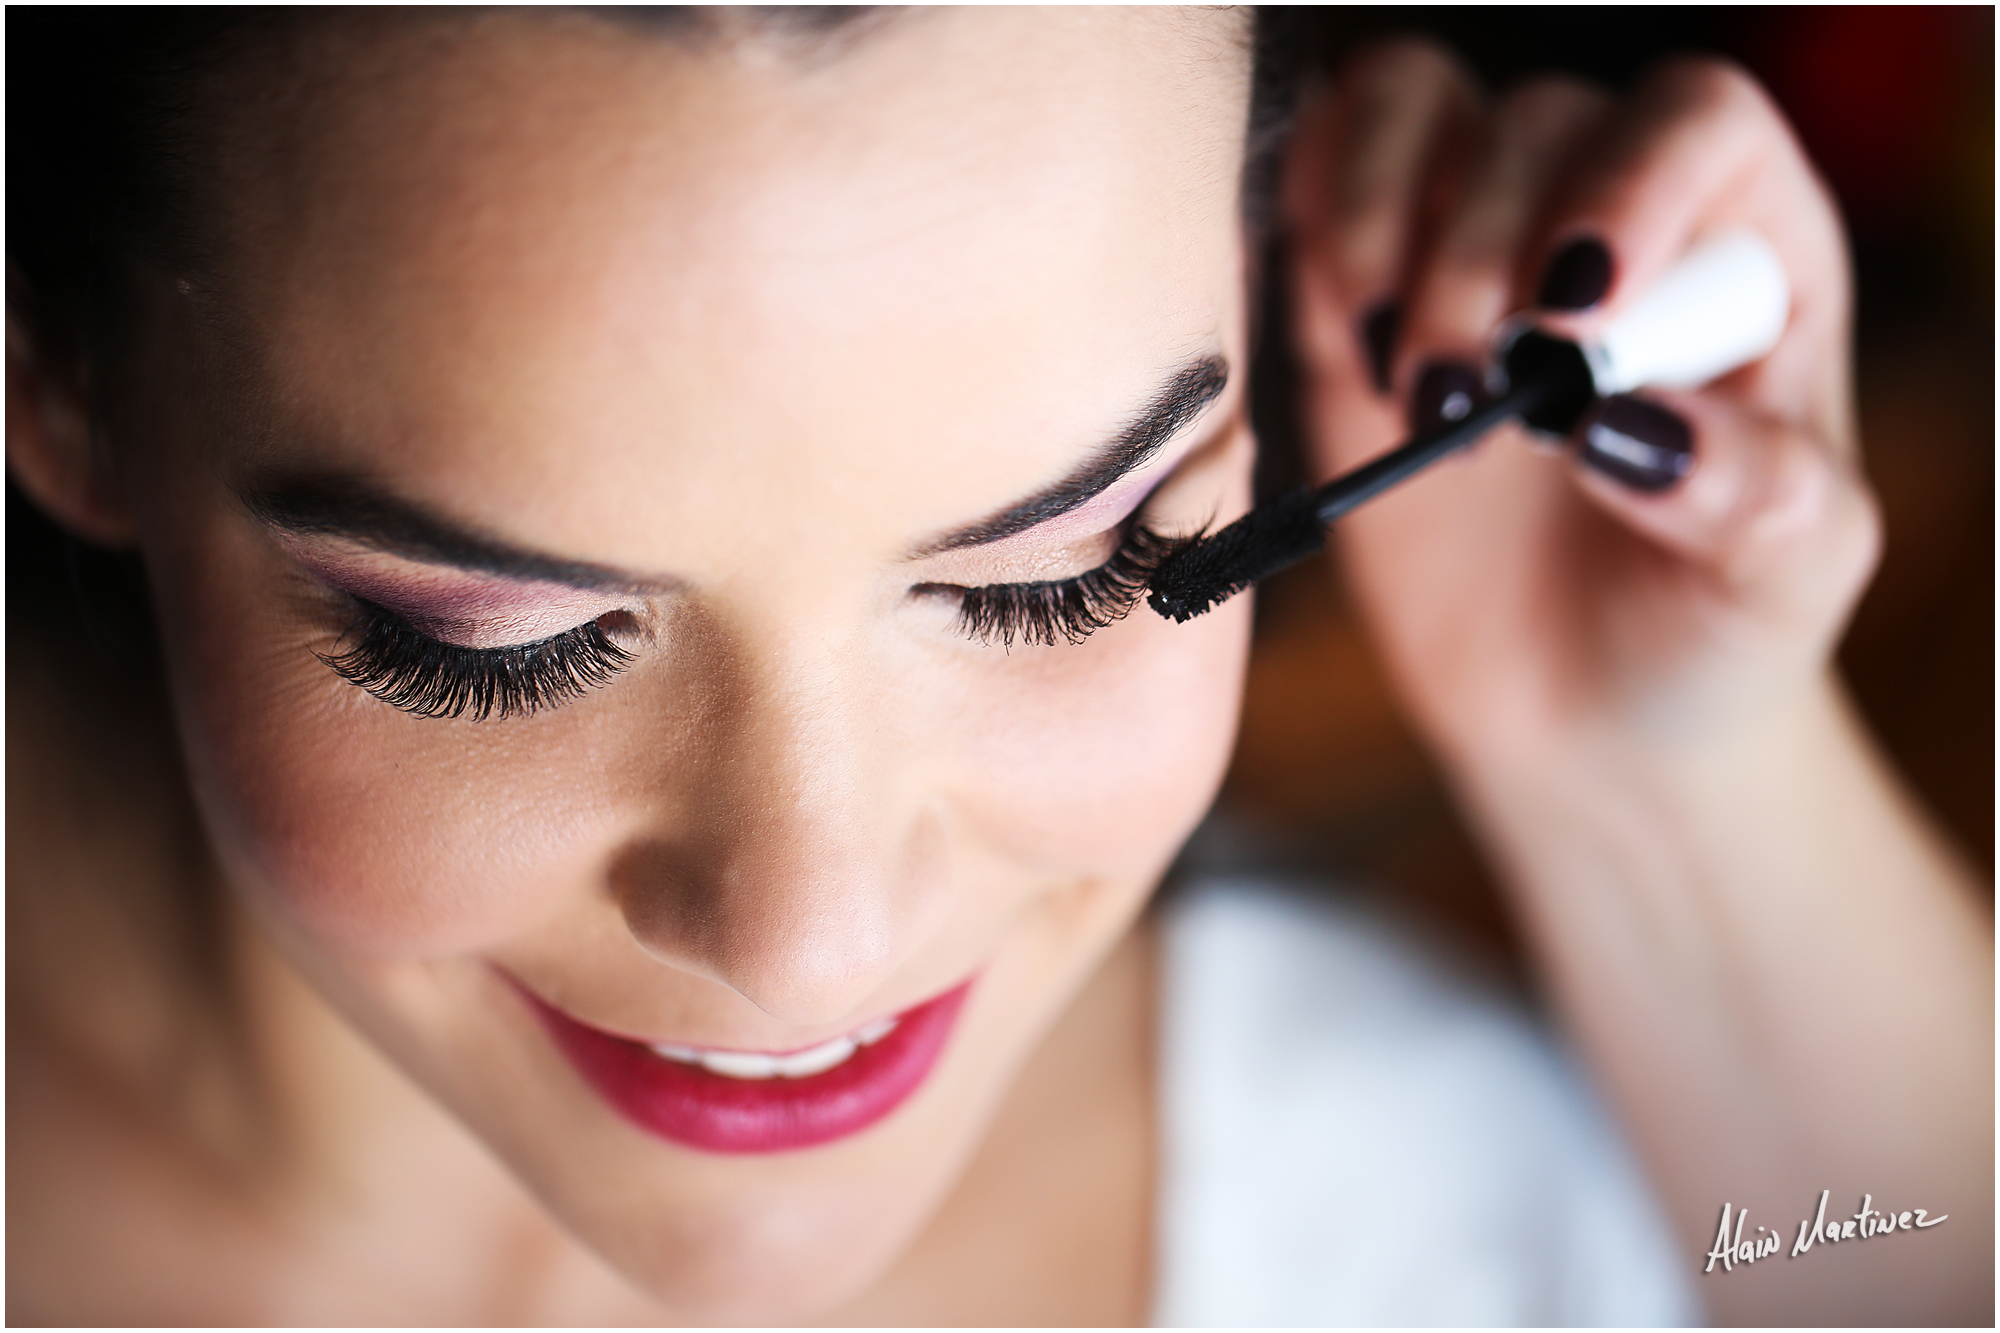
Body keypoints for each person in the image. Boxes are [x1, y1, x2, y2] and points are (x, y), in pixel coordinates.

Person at [6, 8, 1989, 1325]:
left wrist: (1662, 790)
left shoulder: (1470, 1197)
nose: (808, 942)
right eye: (501, 649)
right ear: (63, 373)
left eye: (1058, 577)